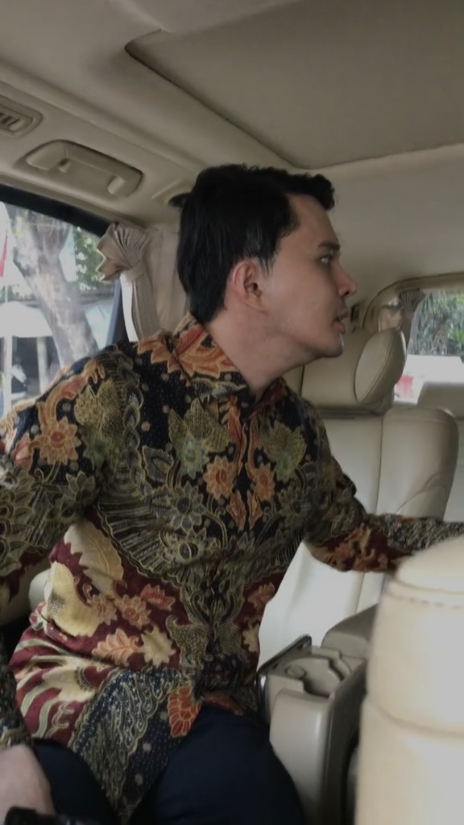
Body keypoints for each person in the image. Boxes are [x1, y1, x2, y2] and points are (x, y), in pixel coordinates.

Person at [0, 164, 463, 825]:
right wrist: (6, 749)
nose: (347, 283)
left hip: (204, 721)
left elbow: (358, 539)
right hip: (69, 702)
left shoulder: (298, 435)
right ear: (251, 283)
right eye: (325, 259)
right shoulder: (110, 394)